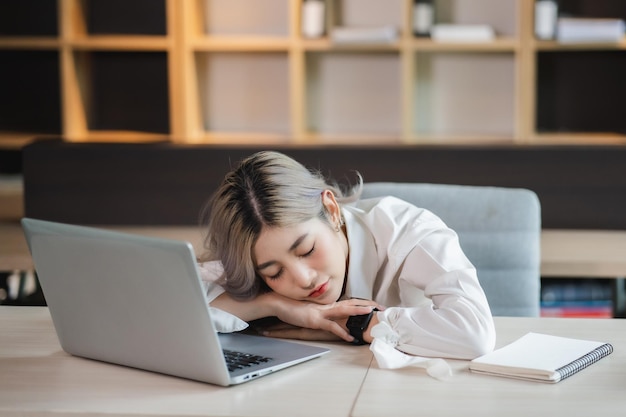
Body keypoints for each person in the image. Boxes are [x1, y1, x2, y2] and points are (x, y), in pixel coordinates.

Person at [198, 151, 495, 360]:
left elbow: (474, 334)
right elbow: (178, 309)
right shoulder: (254, 253)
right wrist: (274, 303)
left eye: (307, 250)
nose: (303, 279)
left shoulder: (409, 230)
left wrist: (362, 325)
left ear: (331, 209)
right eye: (274, 273)